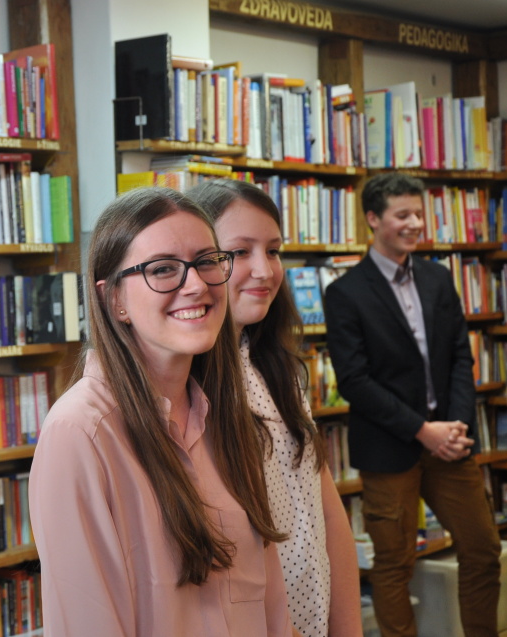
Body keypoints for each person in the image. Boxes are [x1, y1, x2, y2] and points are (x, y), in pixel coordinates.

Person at [29, 186, 293, 637]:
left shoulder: (227, 417)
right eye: (163, 269)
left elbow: (271, 607)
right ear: (114, 300)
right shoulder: (80, 433)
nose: (196, 285)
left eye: (207, 261)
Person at [322, 172, 501, 637]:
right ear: (373, 219)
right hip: (389, 449)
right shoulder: (344, 293)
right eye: (403, 215)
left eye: (419, 214)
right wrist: (423, 430)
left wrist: (457, 425)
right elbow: (354, 381)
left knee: (483, 549)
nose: (416, 224)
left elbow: (460, 356)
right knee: (393, 564)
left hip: (451, 443)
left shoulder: (438, 278)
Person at [189, 179, 362, 637]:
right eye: (239, 252)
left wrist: (347, 627)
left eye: (273, 250)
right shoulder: (187, 387)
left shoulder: (275, 368)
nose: (264, 270)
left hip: (313, 614)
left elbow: (327, 512)